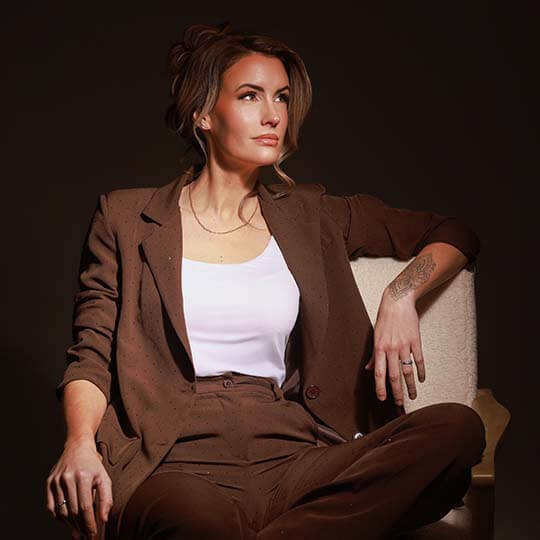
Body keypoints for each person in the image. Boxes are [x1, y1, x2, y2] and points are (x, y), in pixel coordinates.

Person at [45, 21, 486, 540]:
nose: (274, 114)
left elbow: (452, 233)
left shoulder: (312, 215)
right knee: (196, 523)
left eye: (281, 97)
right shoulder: (125, 218)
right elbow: (92, 353)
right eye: (250, 96)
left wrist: (401, 293)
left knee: (458, 429)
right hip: (176, 460)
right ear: (203, 114)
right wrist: (78, 444)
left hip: (294, 455)